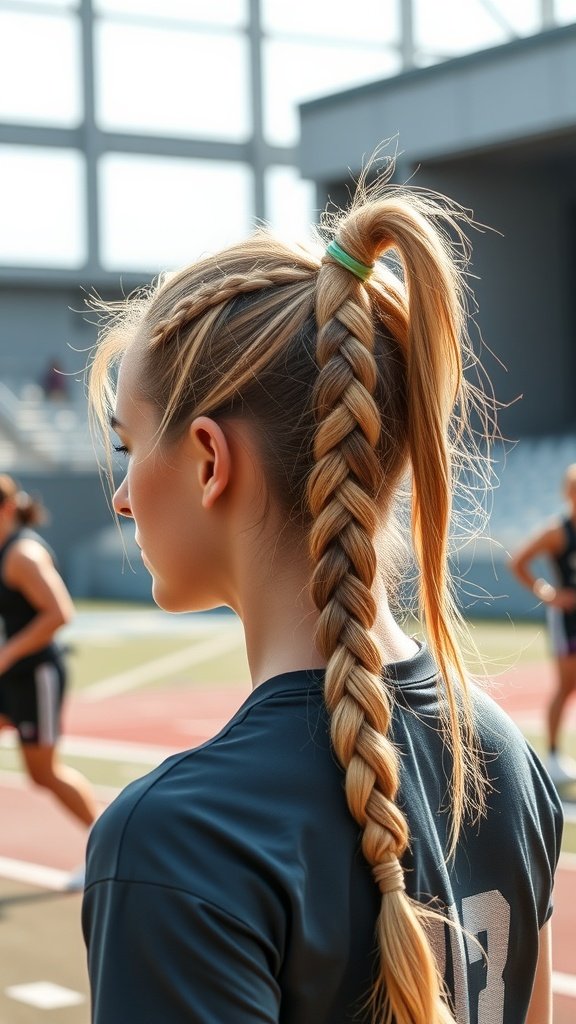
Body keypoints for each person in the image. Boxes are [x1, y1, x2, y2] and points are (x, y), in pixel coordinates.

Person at [83, 178, 562, 1024]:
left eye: (126, 445)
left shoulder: (178, 840)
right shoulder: (504, 758)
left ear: (207, 460)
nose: (121, 497)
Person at [0, 475, 97, 885]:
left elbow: (59, 613)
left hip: (34, 676)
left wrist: (7, 654)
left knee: (43, 774)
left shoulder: (23, 555)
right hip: (10, 675)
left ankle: (106, 846)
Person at [509, 463, 576, 786]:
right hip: (568, 619)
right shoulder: (558, 532)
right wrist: (547, 593)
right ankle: (551, 755)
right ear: (569, 494)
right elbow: (519, 561)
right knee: (566, 685)